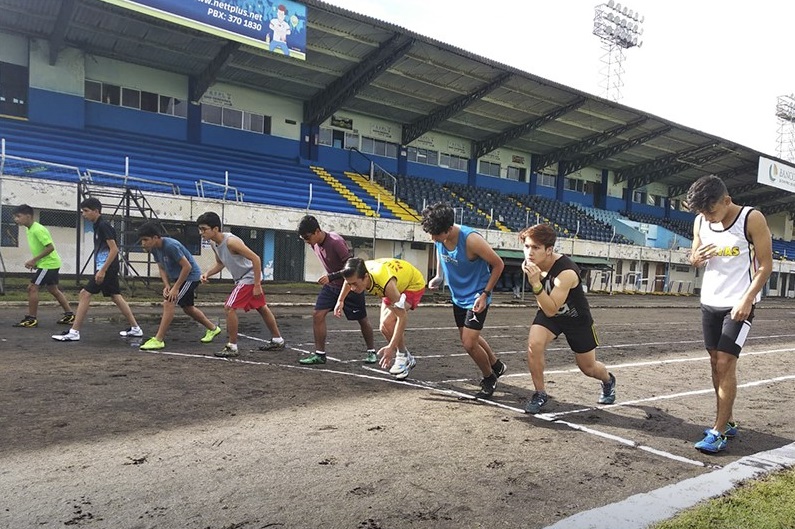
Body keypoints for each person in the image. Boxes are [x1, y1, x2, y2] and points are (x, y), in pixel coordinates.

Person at [686, 175, 772, 453]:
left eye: (711, 211)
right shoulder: (701, 220)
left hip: (739, 303)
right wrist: (695, 259)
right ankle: (729, 420)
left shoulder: (751, 219)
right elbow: (694, 256)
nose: (707, 218)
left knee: (725, 363)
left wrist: (747, 299)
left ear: (726, 200)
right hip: (710, 301)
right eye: (702, 212)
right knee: (715, 363)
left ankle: (719, 430)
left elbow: (766, 265)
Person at [519, 224, 616, 414]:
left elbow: (550, 308)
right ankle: (540, 393)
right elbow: (547, 310)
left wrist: (536, 284)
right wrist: (537, 284)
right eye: (527, 246)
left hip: (575, 318)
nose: (529, 253)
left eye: (535, 248)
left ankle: (608, 380)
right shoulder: (530, 265)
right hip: (551, 313)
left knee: (588, 368)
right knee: (534, 344)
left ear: (549, 250)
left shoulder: (567, 272)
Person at [421, 202, 507, 398]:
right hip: (457, 296)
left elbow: (498, 264)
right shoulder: (439, 237)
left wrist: (485, 294)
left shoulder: (471, 240)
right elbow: (439, 250)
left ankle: (489, 377)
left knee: (468, 343)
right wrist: (440, 275)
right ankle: (497, 365)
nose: (433, 238)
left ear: (449, 229)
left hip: (477, 297)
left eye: (436, 235)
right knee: (470, 338)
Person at [52, 197, 142, 342]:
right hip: (108, 267)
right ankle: (136, 328)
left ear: (96, 211)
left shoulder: (104, 226)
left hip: (107, 268)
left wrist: (102, 270)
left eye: (86, 211)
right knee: (115, 296)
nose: (83, 214)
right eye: (82, 211)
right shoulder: (97, 225)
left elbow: (114, 250)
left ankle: (74, 332)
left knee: (84, 293)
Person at [196, 211, 285, 357]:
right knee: (262, 308)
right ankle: (278, 340)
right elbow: (220, 263)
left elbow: (256, 259)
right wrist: (207, 273)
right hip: (243, 279)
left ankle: (232, 346)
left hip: (249, 277)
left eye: (204, 229)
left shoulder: (231, 242)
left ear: (216, 229)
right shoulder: (214, 244)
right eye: (200, 229)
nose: (201, 233)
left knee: (229, 307)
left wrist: (257, 284)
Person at [297, 215, 376, 365]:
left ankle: (371, 351)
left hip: (350, 285)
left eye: (308, 238)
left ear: (317, 231)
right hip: (332, 287)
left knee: (362, 319)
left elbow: (351, 267)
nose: (307, 242)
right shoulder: (313, 244)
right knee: (317, 314)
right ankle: (320, 355)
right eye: (304, 239)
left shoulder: (336, 242)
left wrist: (332, 276)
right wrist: (331, 279)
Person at [335, 257, 425, 380]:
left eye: (355, 284)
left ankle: (402, 356)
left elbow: (402, 317)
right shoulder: (357, 271)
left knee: (389, 322)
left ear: (366, 277)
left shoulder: (385, 284)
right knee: (383, 327)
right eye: (350, 284)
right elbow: (348, 281)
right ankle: (407, 357)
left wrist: (391, 348)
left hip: (411, 285)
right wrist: (340, 300)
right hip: (394, 282)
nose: (352, 288)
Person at [136, 222, 221, 350]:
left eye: (145, 239)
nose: (143, 243)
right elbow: (161, 268)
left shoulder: (171, 246)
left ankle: (158, 339)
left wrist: (175, 288)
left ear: (155, 237)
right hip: (179, 277)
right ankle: (213, 328)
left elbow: (187, 267)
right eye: (142, 240)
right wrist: (167, 286)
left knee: (169, 302)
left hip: (190, 276)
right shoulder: (154, 248)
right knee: (188, 308)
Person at [11, 204, 74, 328]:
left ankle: (32, 319)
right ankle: (69, 315)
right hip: (48, 263)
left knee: (32, 288)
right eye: (15, 217)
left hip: (49, 264)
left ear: (28, 216)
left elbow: (50, 247)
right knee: (53, 289)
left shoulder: (37, 229)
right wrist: (37, 262)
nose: (16, 219)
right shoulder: (29, 229)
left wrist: (34, 260)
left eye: (18, 216)